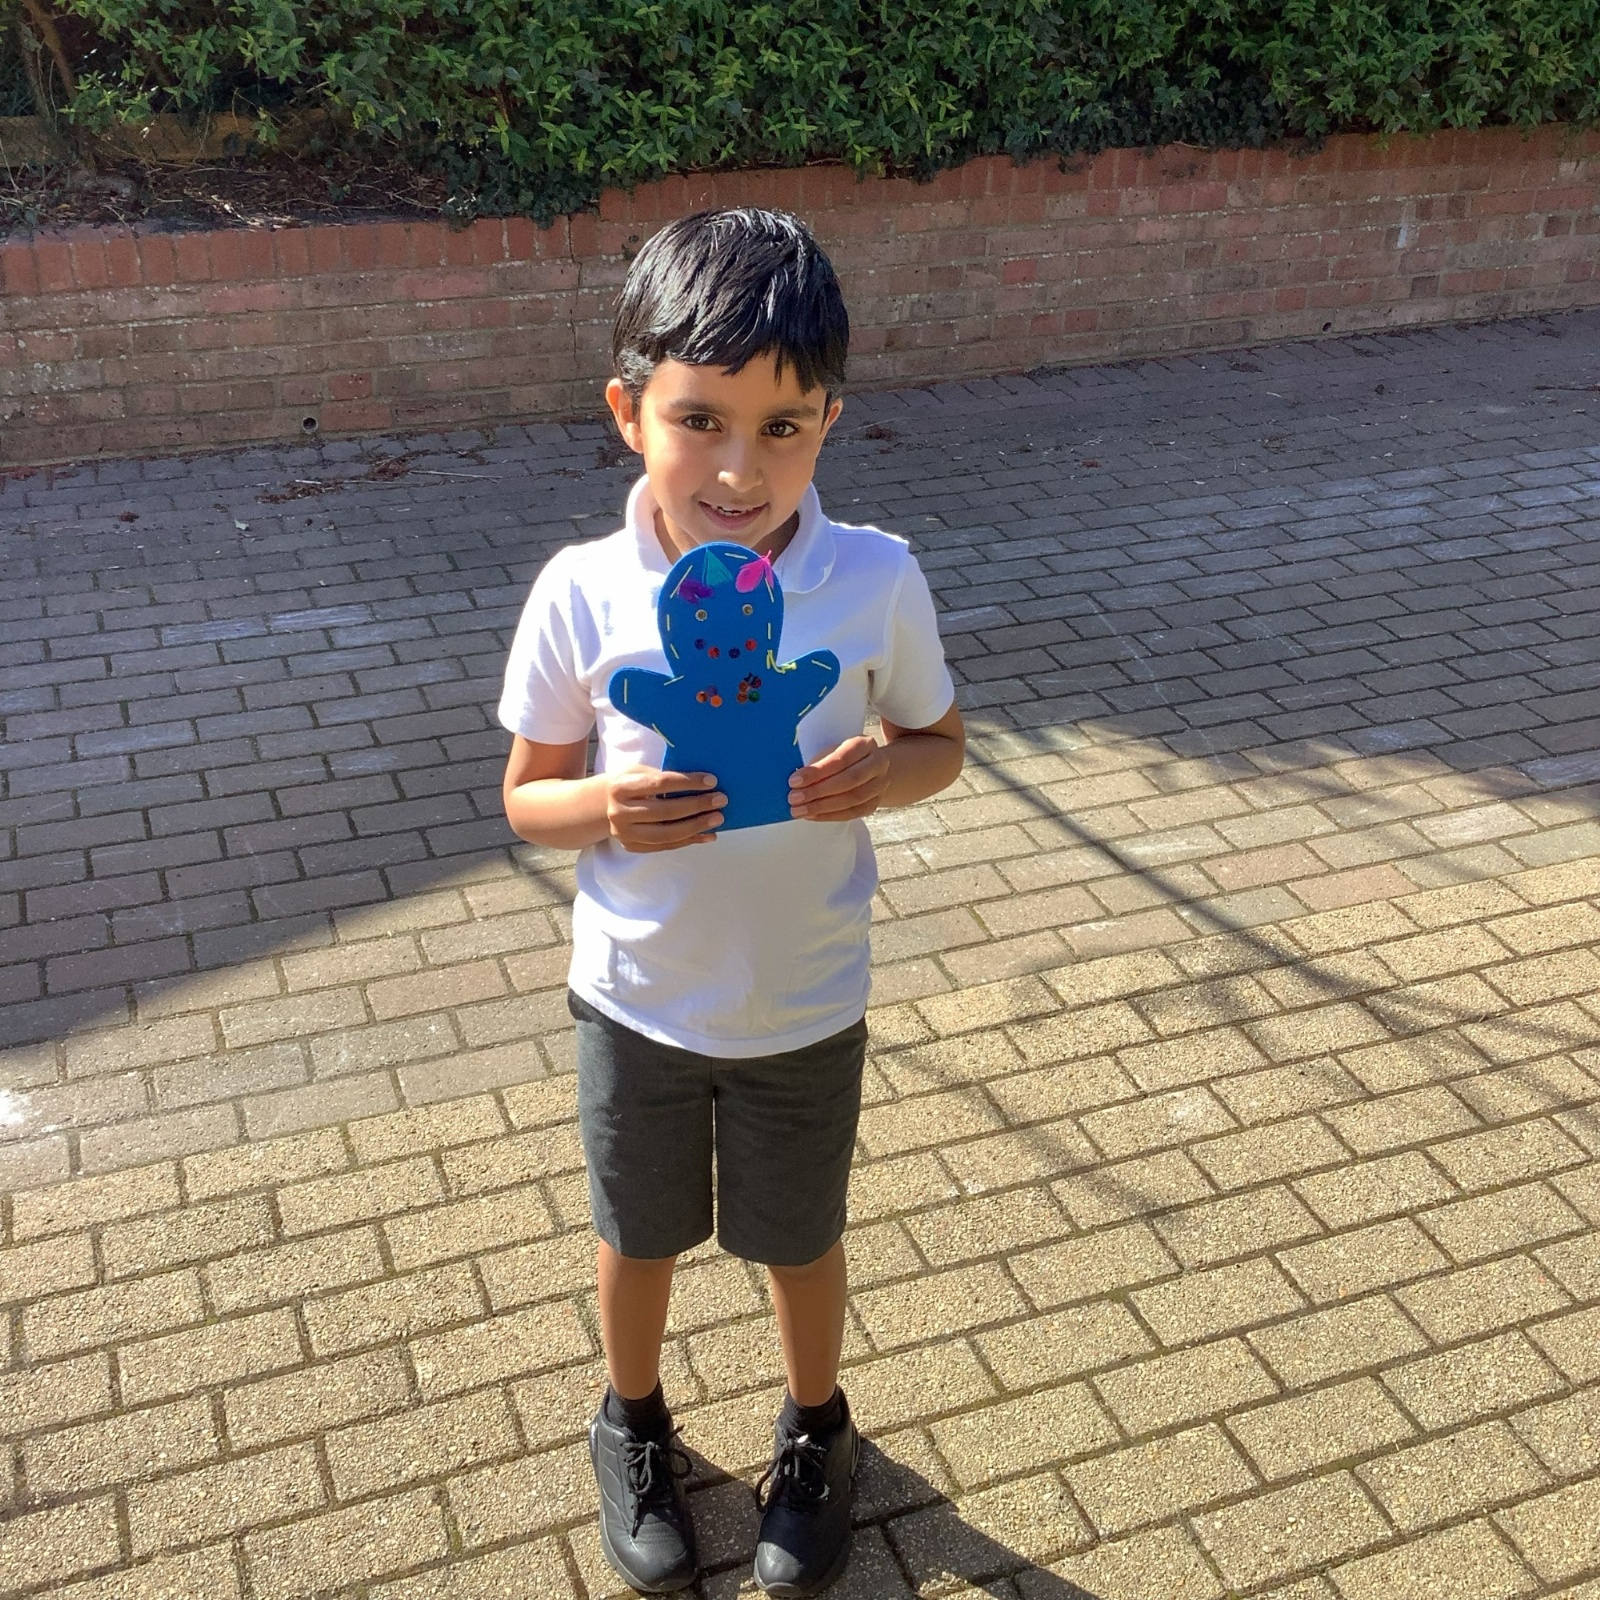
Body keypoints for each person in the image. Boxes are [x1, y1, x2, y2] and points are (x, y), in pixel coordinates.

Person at [498, 207, 964, 1596]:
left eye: (783, 428)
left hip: (806, 999)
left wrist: (885, 773)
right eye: (699, 419)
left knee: (798, 1237)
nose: (739, 469)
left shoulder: (873, 577)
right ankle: (632, 1422)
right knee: (637, 1233)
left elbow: (942, 745)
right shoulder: (582, 592)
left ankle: (817, 1429)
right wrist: (605, 807)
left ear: (830, 423)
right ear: (628, 412)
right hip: (635, 997)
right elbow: (526, 796)